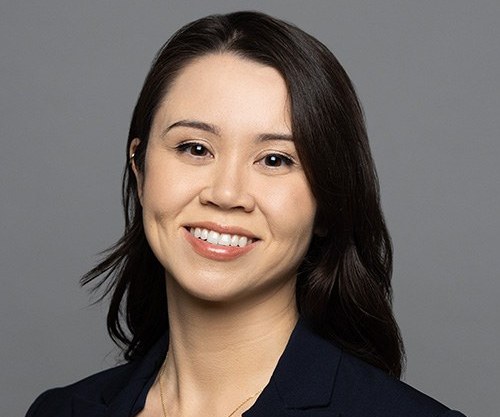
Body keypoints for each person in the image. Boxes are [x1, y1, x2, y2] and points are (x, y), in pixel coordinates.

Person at [26, 11, 466, 417]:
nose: (226, 193)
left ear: (328, 201)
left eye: (275, 159)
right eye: (195, 148)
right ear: (140, 171)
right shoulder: (59, 411)